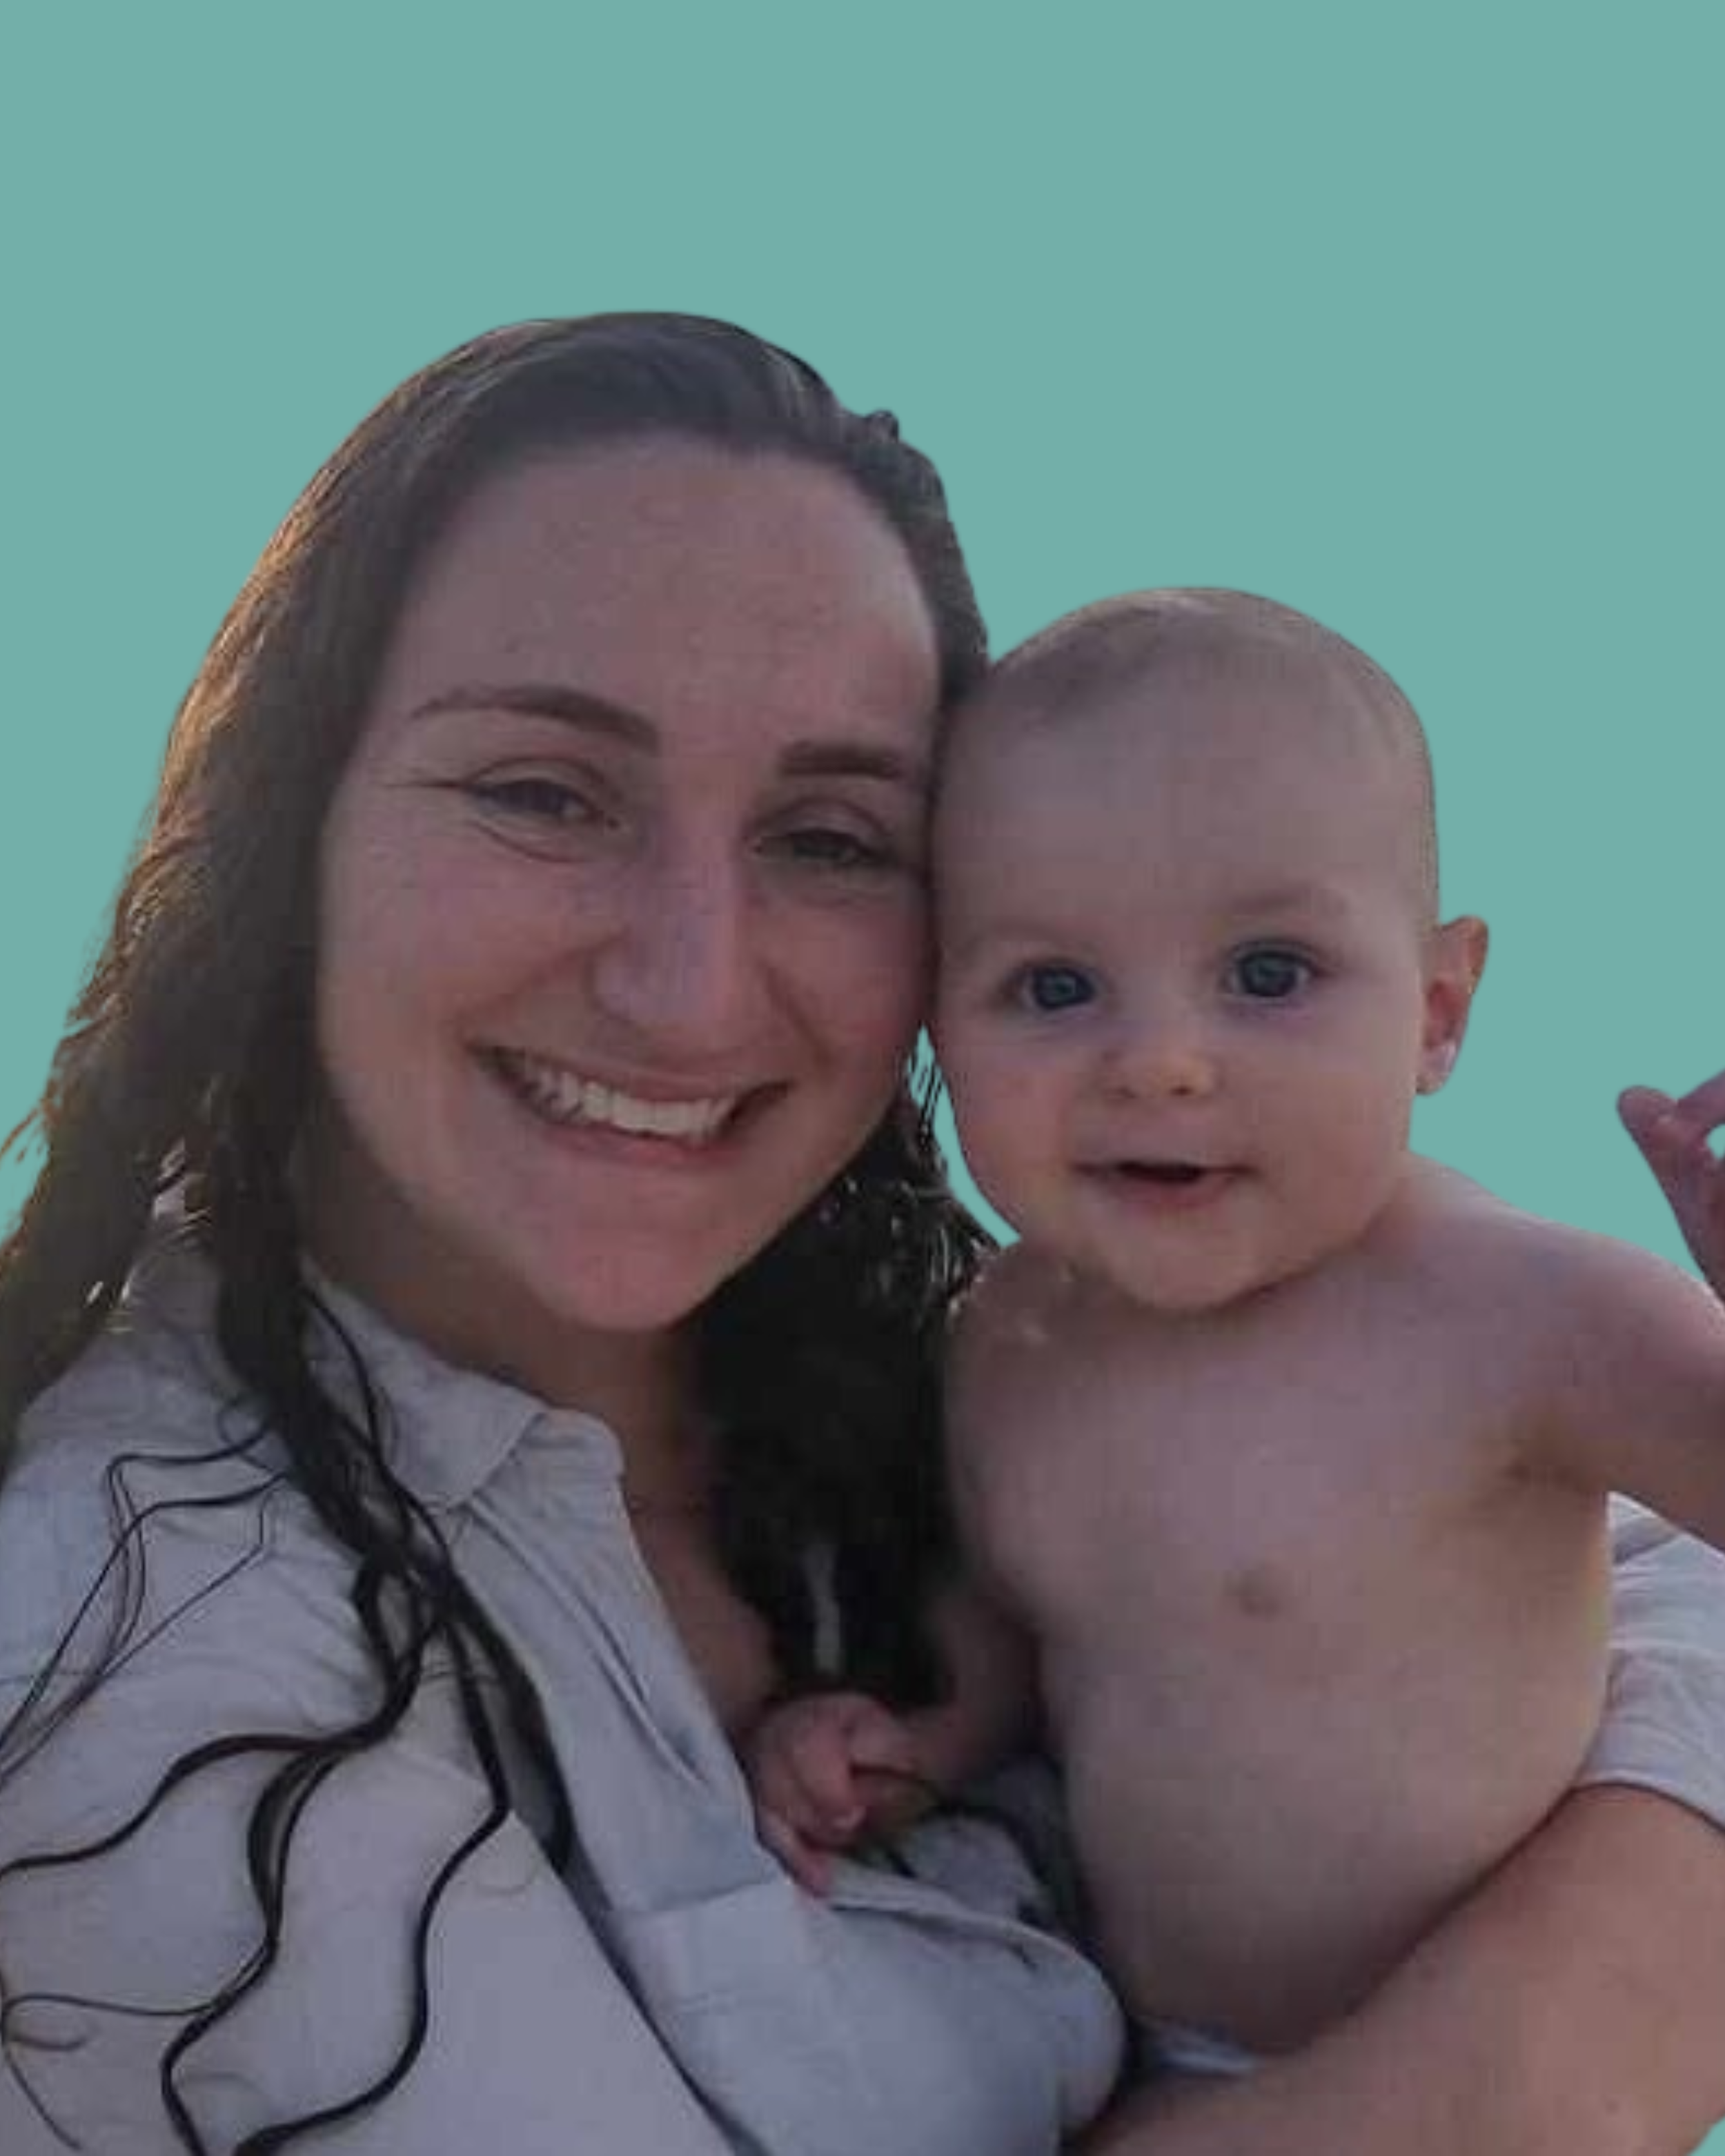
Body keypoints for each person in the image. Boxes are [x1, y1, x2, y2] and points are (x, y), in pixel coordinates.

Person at [0, 327, 1717, 2156]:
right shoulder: (107, 1643)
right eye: (542, 793)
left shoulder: (995, 1343)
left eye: (825, 836)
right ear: (290, 828)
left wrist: (1537, 2059)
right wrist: (1555, 2037)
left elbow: (1633, 1578)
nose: (686, 985)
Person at [748, 588, 1725, 2090]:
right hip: (1159, 2054)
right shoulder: (1006, 1335)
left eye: (1267, 972)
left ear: (1437, 1008)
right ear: (938, 1030)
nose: (1158, 1060)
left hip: (1497, 2047)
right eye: (1052, 987)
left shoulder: (1526, 1314)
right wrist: (911, 1739)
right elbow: (1047, 1631)